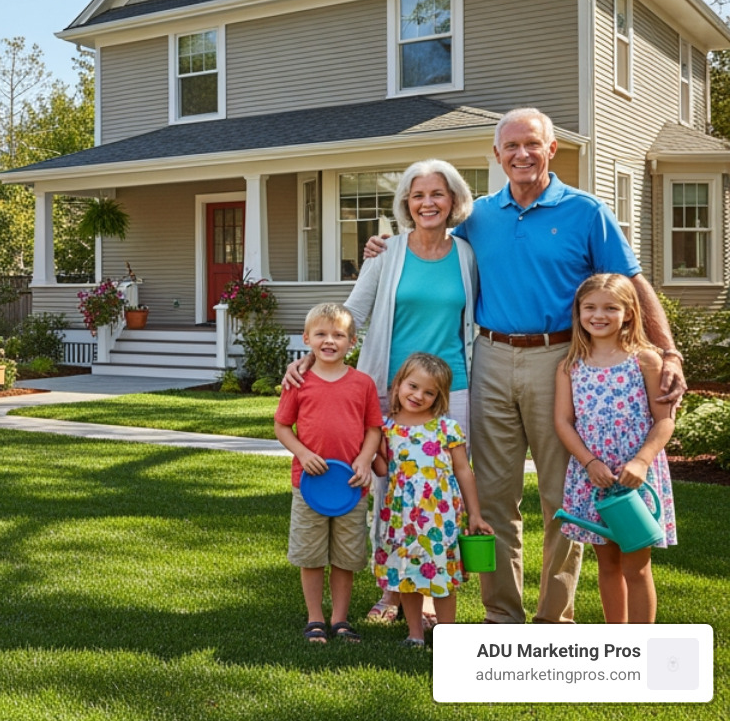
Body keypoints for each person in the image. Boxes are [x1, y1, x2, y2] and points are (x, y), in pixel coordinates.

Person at [362, 108, 685, 625]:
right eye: (510, 146)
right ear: (497, 156)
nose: (521, 154)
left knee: (564, 495)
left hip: (561, 361)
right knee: (492, 494)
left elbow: (632, 281)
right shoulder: (478, 217)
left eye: (531, 144)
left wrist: (668, 352)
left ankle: (553, 618)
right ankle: (501, 615)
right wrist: (383, 247)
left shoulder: (586, 211)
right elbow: (428, 240)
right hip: (488, 358)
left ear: (551, 149)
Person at [285, 160, 479, 627]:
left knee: (440, 489)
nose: (427, 203)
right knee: (386, 485)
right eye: (417, 195)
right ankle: (392, 590)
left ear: (453, 200)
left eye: (437, 194)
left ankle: (431, 587)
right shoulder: (386, 252)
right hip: (389, 389)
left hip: (453, 389)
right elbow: (350, 314)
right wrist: (309, 356)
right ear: (406, 204)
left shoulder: (467, 255)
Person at [554, 273, 677, 624]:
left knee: (636, 567)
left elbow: (664, 420)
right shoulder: (569, 366)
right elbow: (563, 422)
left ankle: (640, 648)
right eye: (589, 307)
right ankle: (616, 643)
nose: (599, 315)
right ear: (578, 313)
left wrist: (641, 461)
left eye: (611, 308)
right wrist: (589, 462)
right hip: (593, 476)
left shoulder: (646, 360)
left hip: (635, 477)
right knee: (607, 565)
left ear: (629, 312)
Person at [274, 303, 383, 644]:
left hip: (351, 485)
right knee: (311, 554)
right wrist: (303, 454)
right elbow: (281, 426)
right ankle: (315, 618)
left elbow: (373, 428)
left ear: (352, 341)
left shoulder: (362, 384)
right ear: (307, 338)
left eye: (338, 335)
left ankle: (340, 619)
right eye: (321, 334)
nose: (329, 341)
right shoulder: (298, 382)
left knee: (346, 557)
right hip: (310, 487)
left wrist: (365, 461)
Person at [373, 352, 493, 647]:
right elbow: (381, 469)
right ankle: (415, 634)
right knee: (408, 575)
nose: (418, 396)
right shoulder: (387, 429)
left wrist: (475, 515)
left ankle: (448, 636)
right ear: (399, 383)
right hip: (402, 518)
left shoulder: (446, 429)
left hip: (441, 518)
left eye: (429, 392)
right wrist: (369, 447)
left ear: (439, 397)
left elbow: (464, 472)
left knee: (442, 578)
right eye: (413, 386)